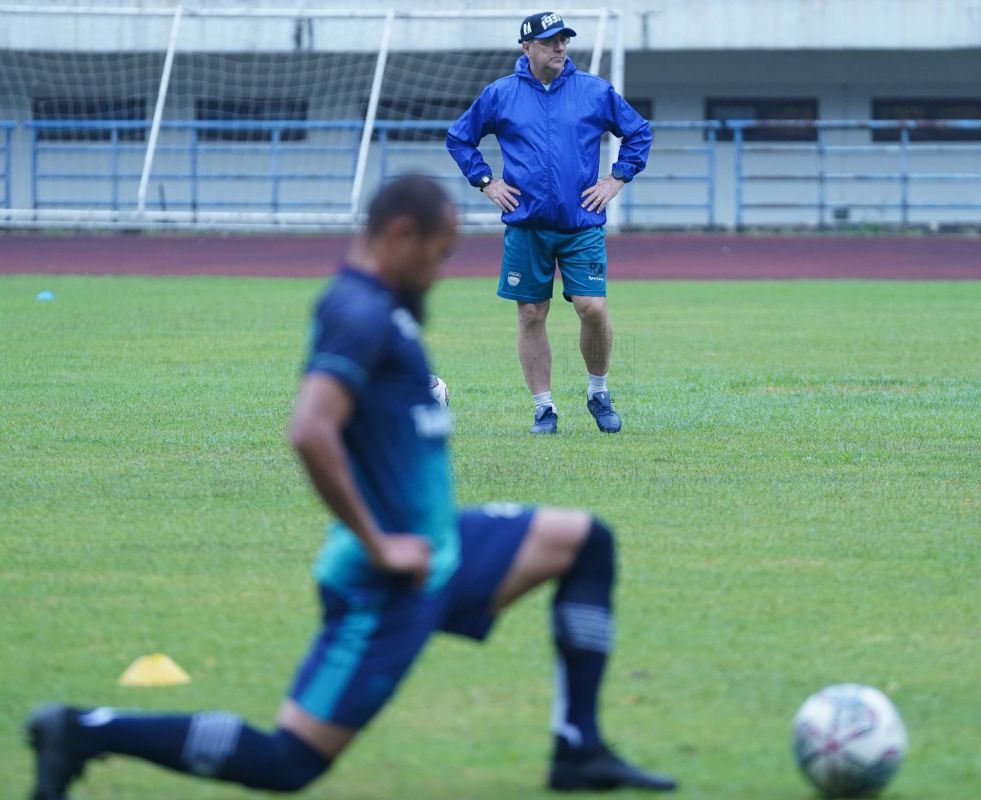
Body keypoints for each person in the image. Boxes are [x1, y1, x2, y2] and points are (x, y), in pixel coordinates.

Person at [25, 175, 677, 799]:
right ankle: (79, 731)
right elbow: (310, 430)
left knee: (586, 542)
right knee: (289, 760)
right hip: (388, 582)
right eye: (439, 254)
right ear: (400, 235)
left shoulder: (386, 309)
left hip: (441, 548)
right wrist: (380, 544)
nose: (441, 270)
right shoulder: (357, 311)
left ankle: (577, 747)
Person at [446, 11, 652, 435]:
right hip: (526, 225)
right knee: (531, 313)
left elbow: (639, 133)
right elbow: (459, 137)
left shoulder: (594, 91)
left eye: (564, 40)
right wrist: (486, 182)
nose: (560, 47)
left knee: (591, 307)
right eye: (550, 41)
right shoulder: (500, 94)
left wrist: (615, 179)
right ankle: (544, 408)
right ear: (527, 48)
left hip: (581, 224)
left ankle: (598, 391)